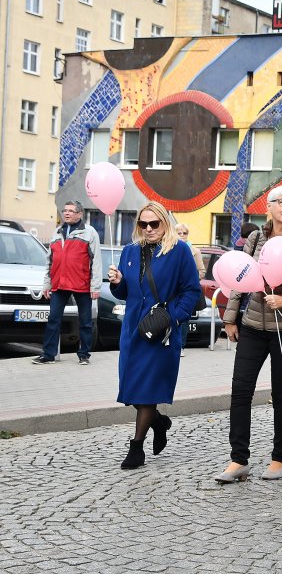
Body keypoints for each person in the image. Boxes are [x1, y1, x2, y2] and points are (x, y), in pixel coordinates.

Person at [215, 187, 282, 483]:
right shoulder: (256, 238)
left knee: (281, 394)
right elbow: (240, 279)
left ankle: (279, 457)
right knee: (240, 390)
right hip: (252, 327)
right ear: (269, 207)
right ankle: (238, 460)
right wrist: (231, 317)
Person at [108, 201, 201, 469]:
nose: (148, 229)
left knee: (147, 390)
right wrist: (118, 283)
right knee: (133, 390)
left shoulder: (179, 251)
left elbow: (192, 292)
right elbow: (126, 293)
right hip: (133, 331)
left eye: (154, 223)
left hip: (161, 332)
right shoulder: (129, 251)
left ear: (164, 223)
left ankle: (136, 447)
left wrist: (172, 317)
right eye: (143, 224)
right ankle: (158, 422)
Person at [33, 200, 101, 366]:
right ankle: (48, 355)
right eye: (65, 210)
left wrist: (95, 286)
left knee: (85, 321)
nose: (67, 213)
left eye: (71, 211)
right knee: (53, 320)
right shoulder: (57, 232)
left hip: (82, 284)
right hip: (59, 284)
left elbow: (96, 261)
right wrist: (47, 285)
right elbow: (50, 260)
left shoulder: (89, 232)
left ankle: (84, 354)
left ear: (79, 214)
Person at [174, 223, 206, 357]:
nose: (182, 236)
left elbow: (202, 271)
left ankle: (181, 346)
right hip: (173, 289)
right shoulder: (169, 248)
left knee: (184, 318)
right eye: (179, 233)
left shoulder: (195, 251)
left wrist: (191, 280)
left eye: (184, 233)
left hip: (186, 290)